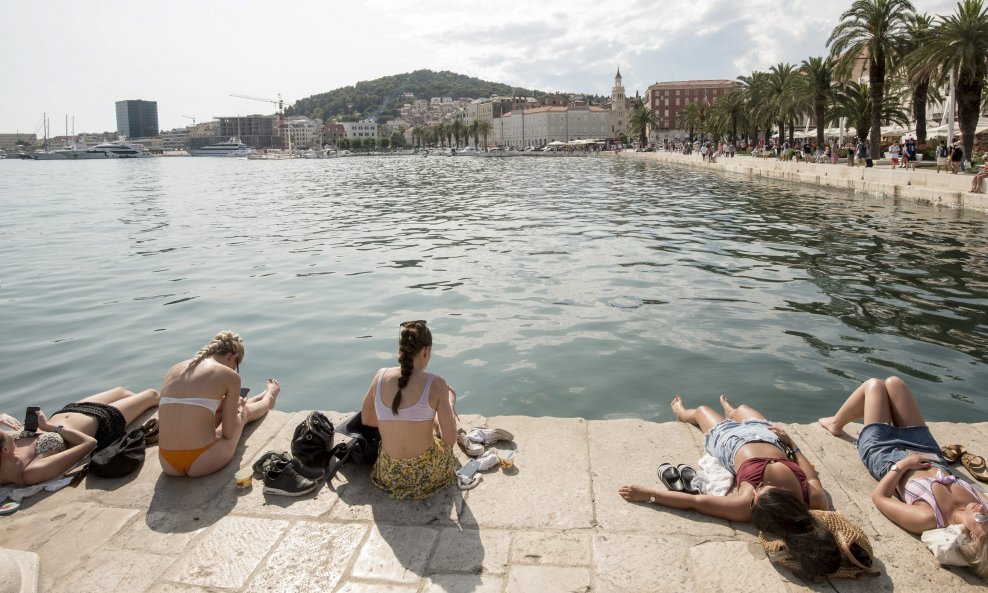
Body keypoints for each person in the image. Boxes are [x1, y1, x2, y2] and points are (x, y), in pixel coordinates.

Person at [819, 377, 987, 580]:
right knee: (894, 383)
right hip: (926, 448)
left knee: (874, 386)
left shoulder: (928, 518)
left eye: (982, 519)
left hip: (886, 453)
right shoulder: (981, 502)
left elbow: (880, 498)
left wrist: (903, 465)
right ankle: (845, 420)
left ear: (974, 539)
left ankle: (836, 424)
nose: (982, 510)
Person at [157, 331, 279, 477]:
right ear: (233, 357)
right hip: (203, 460)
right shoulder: (230, 376)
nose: (234, 370)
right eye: (236, 365)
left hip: (167, 462)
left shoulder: (173, 369)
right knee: (244, 414)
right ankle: (268, 399)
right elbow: (229, 432)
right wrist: (239, 408)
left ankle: (260, 397)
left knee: (220, 410)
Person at [360, 320, 459, 499]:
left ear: (400, 350)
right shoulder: (436, 383)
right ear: (426, 351)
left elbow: (367, 420)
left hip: (389, 474)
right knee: (442, 432)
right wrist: (449, 402)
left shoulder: (380, 376)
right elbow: (450, 440)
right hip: (427, 477)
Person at [0, 387, 159, 487]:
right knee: (152, 395)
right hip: (102, 420)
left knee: (121, 391)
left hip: (70, 410)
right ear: (5, 449)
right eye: (6, 435)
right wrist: (49, 427)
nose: (10, 435)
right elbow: (89, 443)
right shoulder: (30, 472)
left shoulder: (8, 454)